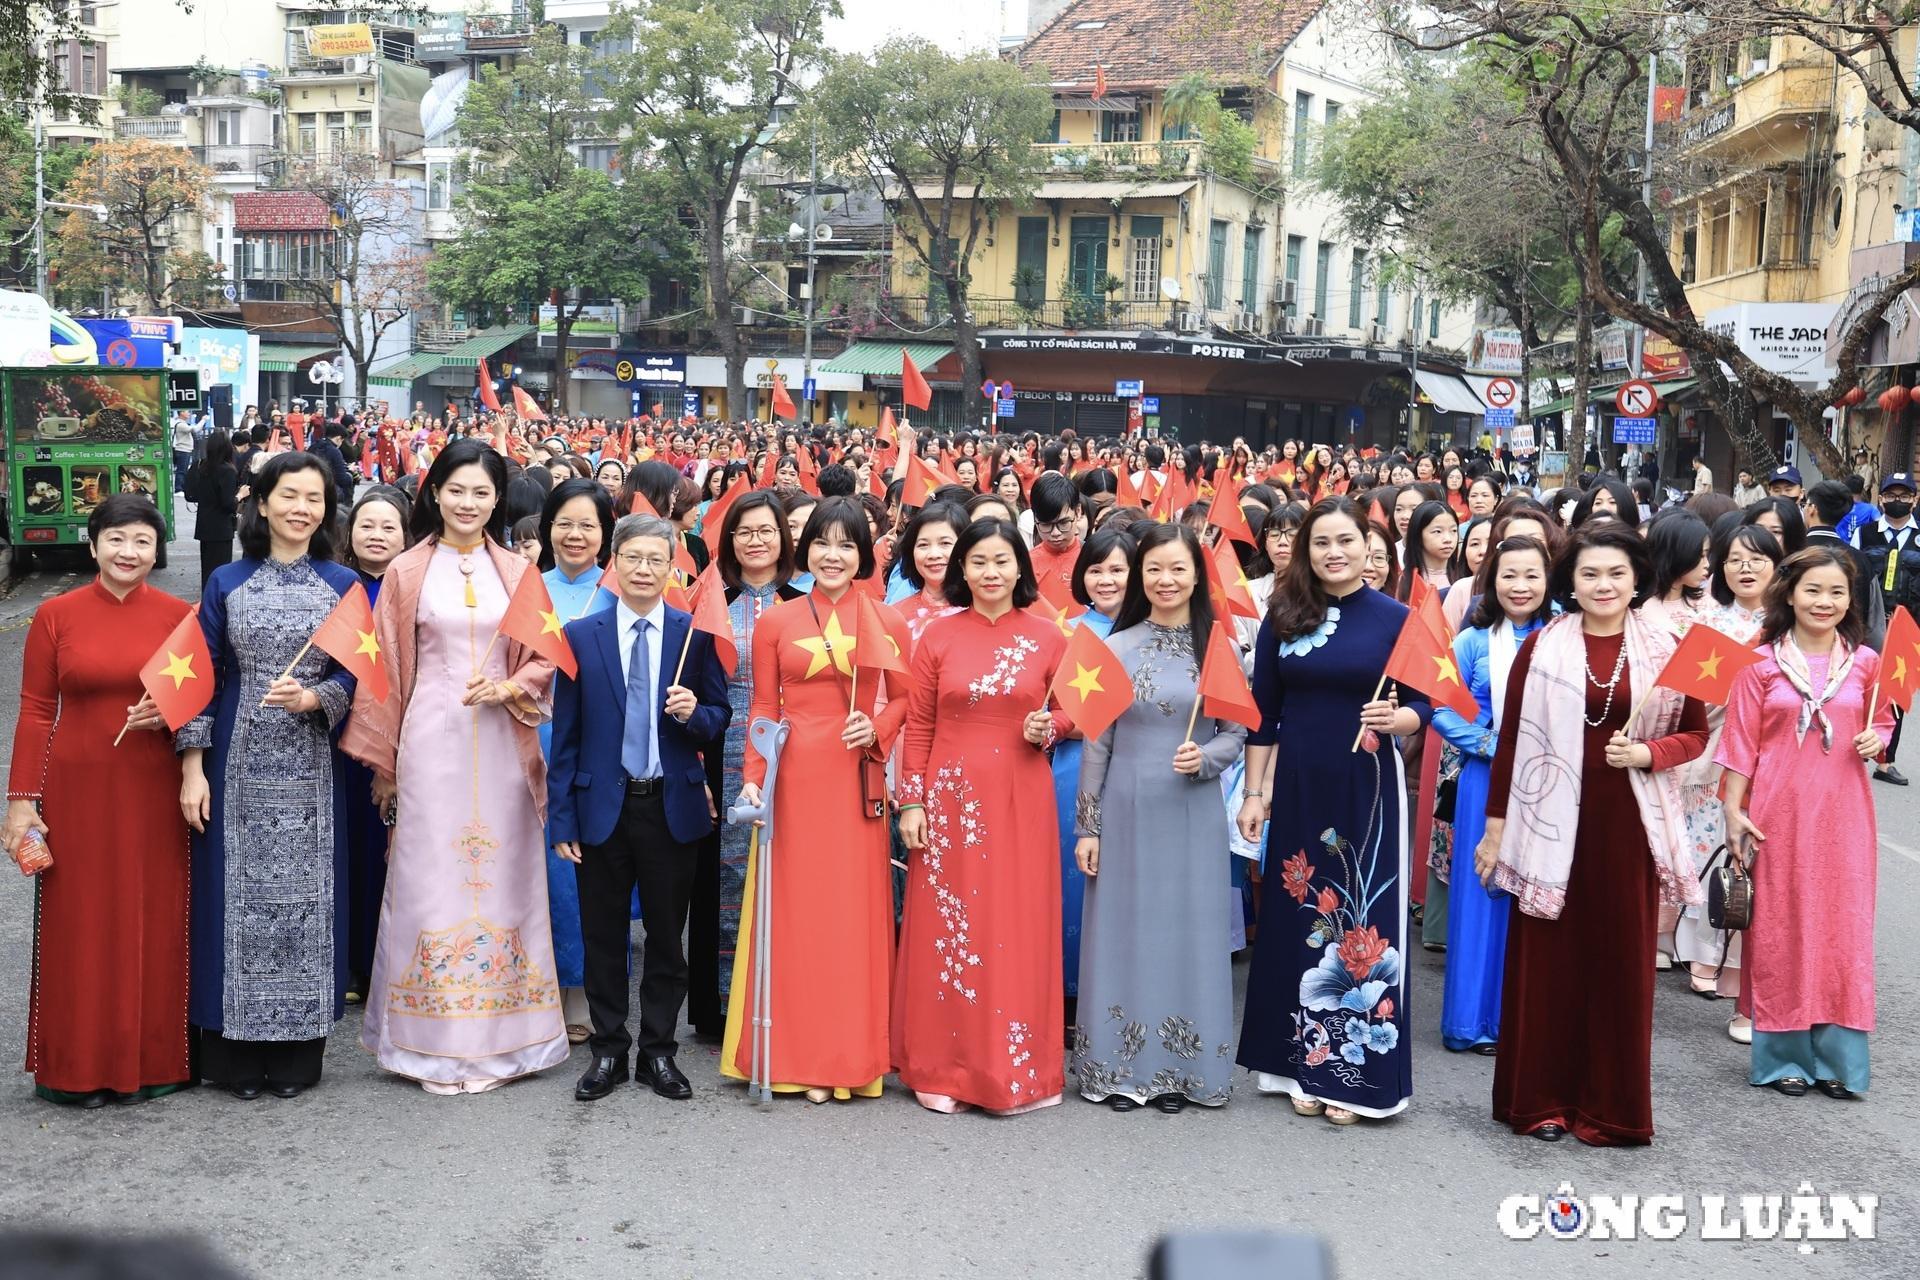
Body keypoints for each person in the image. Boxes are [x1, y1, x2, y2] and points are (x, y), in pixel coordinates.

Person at [341, 439, 568, 1095]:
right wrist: (386, 765)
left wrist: (511, 686)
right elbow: (382, 669)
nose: (468, 503)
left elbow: (544, 656)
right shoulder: (406, 574)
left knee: (505, 877)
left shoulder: (519, 575)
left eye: (481, 492)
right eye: (456, 489)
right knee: (427, 879)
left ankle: (510, 1040)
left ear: (498, 500)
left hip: (504, 746)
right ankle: (425, 1044)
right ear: (434, 492)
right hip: (429, 738)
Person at [1477, 523, 1709, 1145]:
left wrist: (1648, 754)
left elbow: (1695, 735)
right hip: (1547, 828)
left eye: (1615, 574)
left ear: (1637, 579)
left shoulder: (1669, 646)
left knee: (1617, 967)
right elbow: (1509, 749)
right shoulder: (1542, 646)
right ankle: (1540, 1101)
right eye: (1588, 574)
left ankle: (1610, 1111)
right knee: (1547, 967)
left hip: (1626, 829)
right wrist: (1494, 833)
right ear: (1569, 582)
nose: (1602, 585)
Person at [1237, 496, 1429, 1126]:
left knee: (1361, 918)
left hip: (1367, 785)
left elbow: (1425, 705)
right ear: (1303, 550)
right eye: (1322, 542)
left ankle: (1355, 1072)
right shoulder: (1283, 616)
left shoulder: (1399, 620)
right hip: (1296, 787)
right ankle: (1298, 1061)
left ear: (1369, 547)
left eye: (1346, 540)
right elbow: (1262, 714)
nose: (1334, 553)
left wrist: (1396, 717)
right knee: (1298, 914)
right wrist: (1255, 795)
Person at [179, 453, 362, 1100]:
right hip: (234, 763)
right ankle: (229, 1057)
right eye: (289, 495)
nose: (301, 508)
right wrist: (192, 769)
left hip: (313, 765)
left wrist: (318, 700)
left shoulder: (343, 585)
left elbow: (357, 673)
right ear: (261, 503)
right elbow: (200, 677)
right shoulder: (227, 581)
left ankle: (295, 1057)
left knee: (305, 903)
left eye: (314, 497)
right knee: (233, 901)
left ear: (325, 509)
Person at [724, 496, 912, 1103]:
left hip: (856, 780)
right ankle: (793, 1054)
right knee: (794, 914)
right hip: (793, 778)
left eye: (847, 544)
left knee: (849, 918)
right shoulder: (778, 621)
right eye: (823, 543)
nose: (833, 555)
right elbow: (762, 709)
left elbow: (909, 701)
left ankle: (846, 1057)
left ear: (864, 554)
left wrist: (878, 729)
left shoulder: (887, 621)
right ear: (805, 550)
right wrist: (754, 775)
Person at [5, 497, 191, 1106]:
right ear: (93, 547)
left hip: (151, 784)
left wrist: (169, 714)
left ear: (156, 551)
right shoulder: (56, 616)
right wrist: (22, 800)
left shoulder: (176, 617)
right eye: (115, 539)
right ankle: (72, 1067)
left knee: (153, 914)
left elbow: (199, 705)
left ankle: (150, 1061)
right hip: (75, 785)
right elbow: (35, 710)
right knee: (76, 920)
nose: (128, 552)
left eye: (141, 541)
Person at [550, 514, 732, 1102]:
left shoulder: (692, 635)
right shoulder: (582, 634)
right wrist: (562, 819)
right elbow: (568, 734)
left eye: (657, 560)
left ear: (671, 567)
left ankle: (658, 1051)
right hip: (602, 807)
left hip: (669, 806)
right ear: (615, 564)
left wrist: (693, 713)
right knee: (603, 936)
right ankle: (607, 1050)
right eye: (633, 558)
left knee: (664, 938)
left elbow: (718, 719)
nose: (645, 570)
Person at [1071, 524, 1246, 1112]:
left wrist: (1208, 759)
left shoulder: (1217, 647)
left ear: (1197, 575)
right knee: (1124, 933)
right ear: (1139, 577)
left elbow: (1237, 733)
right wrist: (1087, 827)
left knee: (1186, 934)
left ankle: (1179, 1068)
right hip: (1125, 806)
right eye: (1154, 570)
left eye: (1177, 569)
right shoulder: (1115, 649)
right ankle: (1120, 1067)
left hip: (1193, 811)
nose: (1165, 581)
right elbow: (1098, 742)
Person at [895, 519, 1067, 1113]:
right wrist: (911, 801)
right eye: (978, 562)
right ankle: (945, 1069)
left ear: (1020, 567)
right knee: (951, 928)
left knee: (1015, 923)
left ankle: (1016, 1070)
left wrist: (1051, 727)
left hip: (1022, 795)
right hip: (950, 798)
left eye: (1001, 561)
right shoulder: (937, 638)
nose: (990, 573)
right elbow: (918, 726)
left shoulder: (1049, 637)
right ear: (961, 571)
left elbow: (1072, 710)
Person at [1720, 547, 1890, 1101]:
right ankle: (1784, 1058)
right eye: (1813, 590)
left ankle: (1840, 1063)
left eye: (1837, 592)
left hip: (1846, 819)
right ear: (1789, 594)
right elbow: (1740, 746)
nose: (1825, 602)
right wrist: (1734, 813)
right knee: (1782, 932)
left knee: (1843, 934)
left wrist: (1878, 739)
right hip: (1777, 818)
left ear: (1850, 600)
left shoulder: (1865, 663)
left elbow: (1881, 720)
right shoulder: (1758, 664)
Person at [1431, 535, 1551, 1052]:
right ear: (1490, 580)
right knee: (1483, 893)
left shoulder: (1563, 635)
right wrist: (1489, 744)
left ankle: (1529, 1018)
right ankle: (1473, 1021)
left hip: (1551, 783)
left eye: (1531, 576)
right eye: (1509, 575)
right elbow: (1439, 707)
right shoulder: (1473, 641)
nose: (1520, 586)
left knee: (1538, 895)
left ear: (1548, 580)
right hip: (1486, 778)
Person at [694, 491, 804, 1037]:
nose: (756, 540)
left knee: (789, 875)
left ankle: (783, 1000)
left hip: (797, 756)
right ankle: (722, 1010)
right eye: (745, 531)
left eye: (767, 530)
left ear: (784, 539)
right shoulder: (710, 601)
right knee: (722, 879)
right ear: (729, 540)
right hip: (721, 751)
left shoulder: (805, 600)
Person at [533, 478, 619, 1043]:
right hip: (525, 745)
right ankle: (527, 990)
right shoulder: (525, 591)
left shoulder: (618, 594)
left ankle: (582, 990)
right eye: (565, 522)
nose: (575, 534)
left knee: (577, 874)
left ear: (605, 534)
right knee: (525, 874)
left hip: (590, 749)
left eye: (588, 524)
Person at [1051, 525, 1134, 1029]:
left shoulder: (1152, 631)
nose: (1106, 579)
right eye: (1096, 570)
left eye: (1118, 570)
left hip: (1135, 769)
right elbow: (1052, 709)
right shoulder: (1065, 631)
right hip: (1072, 769)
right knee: (1073, 882)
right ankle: (1065, 997)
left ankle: (1122, 995)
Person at [338, 486, 413, 1001]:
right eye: (367, 525)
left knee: (399, 854)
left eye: (389, 527)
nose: (377, 536)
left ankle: (394, 965)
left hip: (407, 736)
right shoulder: (335, 586)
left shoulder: (417, 589)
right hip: (341, 742)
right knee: (353, 852)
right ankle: (353, 964)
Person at [1852, 472, 1920, 785]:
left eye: (1904, 495)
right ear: (1881, 498)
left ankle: (1885, 760)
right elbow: (1850, 572)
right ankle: (1849, 749)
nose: (1897, 500)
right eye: (1891, 494)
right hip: (1867, 623)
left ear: (1915, 499)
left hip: (1908, 626)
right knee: (1855, 686)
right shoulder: (1865, 533)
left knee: (1895, 691)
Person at [187, 429, 240, 588]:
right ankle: (217, 603)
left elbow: (190, 495)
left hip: (204, 524)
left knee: (208, 569)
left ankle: (207, 601)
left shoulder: (199, 465)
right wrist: (240, 495)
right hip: (221, 527)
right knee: (221, 570)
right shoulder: (227, 470)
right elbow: (228, 504)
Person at [1028, 473, 1084, 604]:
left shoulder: (1093, 557)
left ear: (1078, 511)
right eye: (1046, 525)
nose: (1055, 533)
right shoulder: (1026, 564)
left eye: (1063, 523)